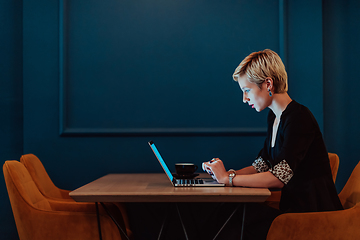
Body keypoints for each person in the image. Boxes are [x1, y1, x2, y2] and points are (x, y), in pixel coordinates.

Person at [202, 49, 343, 240]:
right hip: (292, 208)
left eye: (247, 90)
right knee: (225, 211)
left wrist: (228, 179)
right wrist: (226, 174)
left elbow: (279, 177)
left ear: (268, 83)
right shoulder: (275, 117)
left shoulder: (299, 118)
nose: (244, 99)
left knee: (236, 220)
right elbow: (263, 165)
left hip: (311, 215)